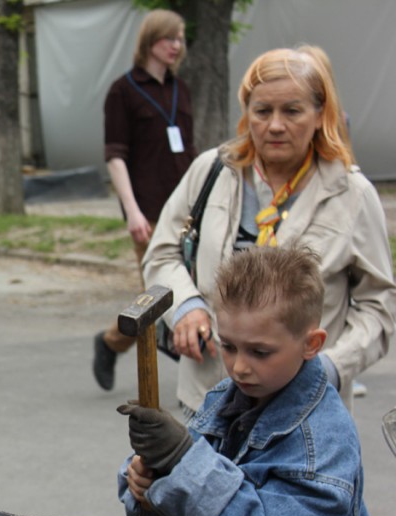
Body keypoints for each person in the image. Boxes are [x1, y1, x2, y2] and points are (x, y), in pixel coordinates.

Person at [117, 247, 392, 516]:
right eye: (228, 346)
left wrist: (183, 460)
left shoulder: (325, 438)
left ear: (311, 343)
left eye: (260, 352)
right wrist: (150, 484)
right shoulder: (223, 401)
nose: (240, 367)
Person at [143, 46, 395, 414]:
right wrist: (186, 307)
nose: (275, 125)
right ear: (247, 113)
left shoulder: (351, 194)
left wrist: (331, 366)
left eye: (292, 111)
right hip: (207, 402)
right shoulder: (212, 172)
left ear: (319, 114)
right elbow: (162, 252)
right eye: (262, 111)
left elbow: (380, 306)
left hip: (303, 415)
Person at [92, 9, 196, 390]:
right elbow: (115, 156)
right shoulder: (122, 91)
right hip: (148, 212)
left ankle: (112, 341)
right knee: (158, 296)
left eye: (181, 38)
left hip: (186, 209)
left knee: (188, 288)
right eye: (170, 37)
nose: (177, 45)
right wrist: (132, 212)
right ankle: (114, 343)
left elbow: (188, 150)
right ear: (151, 41)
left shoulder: (180, 89)